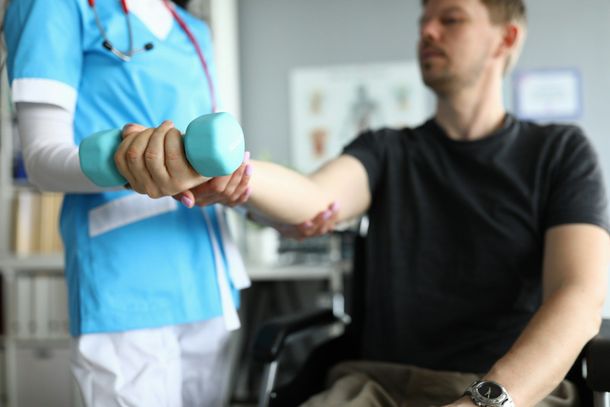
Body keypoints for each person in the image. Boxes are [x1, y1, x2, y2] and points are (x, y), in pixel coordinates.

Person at [116, 0, 610, 406]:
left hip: (511, 391)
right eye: (424, 21)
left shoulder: (560, 153)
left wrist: (486, 400)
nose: (428, 32)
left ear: (507, 38)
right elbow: (313, 197)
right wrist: (231, 172)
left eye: (451, 19)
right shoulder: (389, 150)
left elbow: (579, 298)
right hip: (375, 386)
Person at [3, 0, 254, 405]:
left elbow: (213, 150)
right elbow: (41, 161)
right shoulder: (54, 6)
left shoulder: (194, 29)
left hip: (208, 278)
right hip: (126, 282)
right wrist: (129, 162)